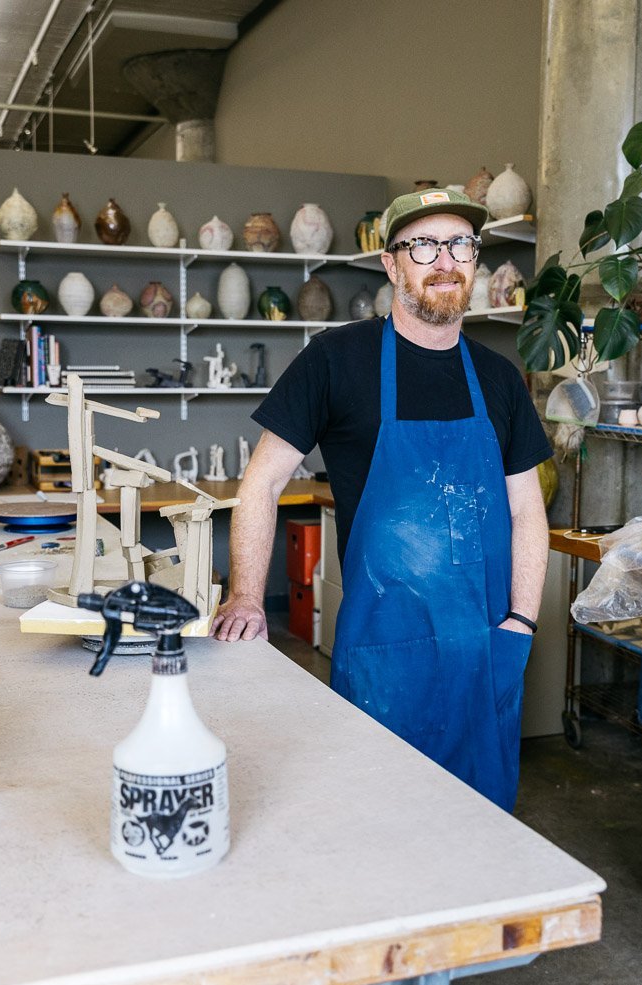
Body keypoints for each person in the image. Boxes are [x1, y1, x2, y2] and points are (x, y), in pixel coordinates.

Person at [211, 188, 552, 811]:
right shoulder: (336, 362)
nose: (444, 261)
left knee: (481, 833)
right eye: (423, 245)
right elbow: (260, 485)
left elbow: (528, 511)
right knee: (377, 823)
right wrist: (247, 598)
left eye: (460, 245)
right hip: (385, 658)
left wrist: (520, 624)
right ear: (392, 265)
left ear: (474, 262)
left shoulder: (499, 378)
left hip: (485, 652)